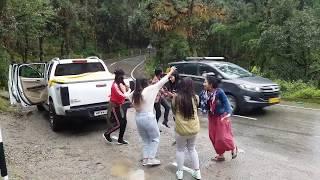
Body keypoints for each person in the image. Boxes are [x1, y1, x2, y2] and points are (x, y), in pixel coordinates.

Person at [128, 67, 176, 166]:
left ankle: (146, 159)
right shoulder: (149, 89)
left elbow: (126, 96)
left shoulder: (134, 94)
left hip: (138, 118)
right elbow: (162, 81)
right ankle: (151, 158)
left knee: (146, 140)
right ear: (145, 83)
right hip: (148, 118)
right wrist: (171, 71)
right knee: (155, 138)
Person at [172, 77, 201, 180]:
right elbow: (196, 109)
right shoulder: (196, 97)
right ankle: (197, 173)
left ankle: (180, 173)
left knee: (180, 150)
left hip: (181, 129)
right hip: (194, 128)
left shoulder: (176, 97)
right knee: (192, 149)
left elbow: (174, 110)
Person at [203, 76, 238, 161]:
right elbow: (200, 102)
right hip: (211, 117)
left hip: (221, 117)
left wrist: (228, 113)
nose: (203, 84)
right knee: (213, 136)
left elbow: (226, 103)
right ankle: (221, 155)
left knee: (222, 138)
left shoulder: (219, 92)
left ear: (210, 85)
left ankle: (233, 147)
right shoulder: (205, 93)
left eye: (205, 82)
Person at [103, 69, 131, 145]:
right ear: (118, 76)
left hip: (120, 105)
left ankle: (120, 139)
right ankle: (107, 134)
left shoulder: (121, 83)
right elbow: (123, 95)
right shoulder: (114, 85)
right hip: (114, 106)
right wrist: (129, 93)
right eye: (122, 76)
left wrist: (125, 85)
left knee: (124, 122)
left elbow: (127, 90)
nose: (123, 78)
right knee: (119, 123)